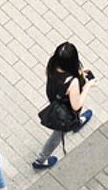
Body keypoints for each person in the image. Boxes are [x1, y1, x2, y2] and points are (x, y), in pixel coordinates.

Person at [33, 42, 94, 170]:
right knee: (58, 134)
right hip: (64, 110)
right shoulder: (72, 82)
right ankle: (41, 160)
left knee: (70, 121)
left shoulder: (51, 64)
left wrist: (78, 72)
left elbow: (55, 74)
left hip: (54, 97)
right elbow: (76, 105)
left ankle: (77, 123)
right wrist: (88, 86)